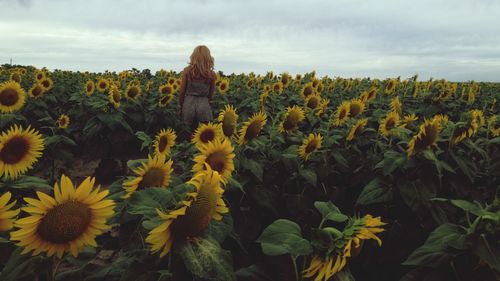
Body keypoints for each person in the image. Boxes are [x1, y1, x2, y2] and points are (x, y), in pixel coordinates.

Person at [178, 45, 217, 138]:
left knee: (188, 134)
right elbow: (211, 94)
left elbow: (182, 92)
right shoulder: (211, 74)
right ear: (208, 58)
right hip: (203, 104)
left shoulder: (187, 71)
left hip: (189, 103)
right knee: (205, 136)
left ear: (194, 56)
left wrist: (181, 106)